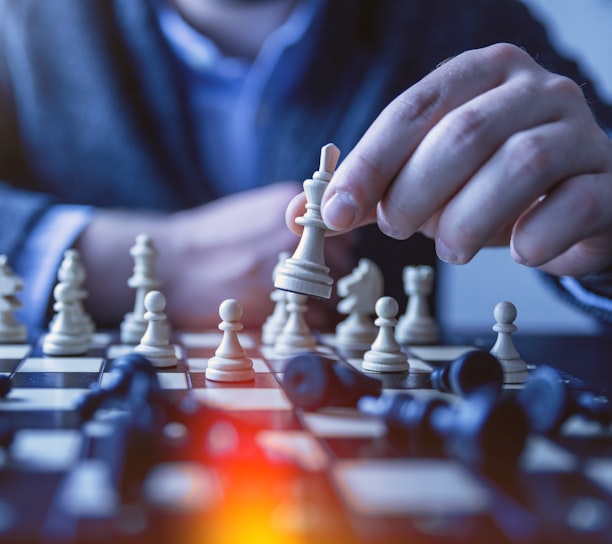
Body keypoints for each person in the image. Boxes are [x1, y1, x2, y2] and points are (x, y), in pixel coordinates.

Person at [1, 0, 611, 334]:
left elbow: (592, 157)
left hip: (372, 456)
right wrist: (141, 260)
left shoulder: (453, 16)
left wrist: (603, 242)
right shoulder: (20, 23)